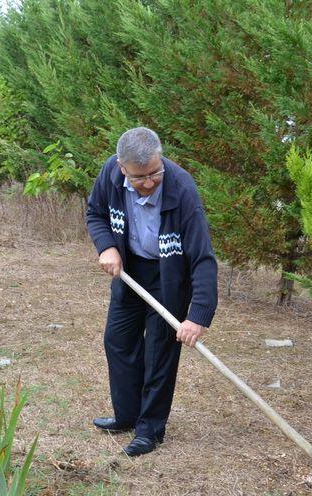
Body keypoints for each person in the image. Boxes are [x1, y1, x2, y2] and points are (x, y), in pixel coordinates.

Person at [86, 127, 218, 457]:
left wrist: (197, 316)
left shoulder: (182, 187)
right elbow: (95, 213)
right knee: (118, 340)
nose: (149, 182)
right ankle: (127, 415)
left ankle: (150, 430)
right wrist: (106, 248)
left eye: (154, 173)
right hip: (130, 271)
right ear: (121, 166)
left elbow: (203, 257)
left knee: (159, 352)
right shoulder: (110, 175)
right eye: (139, 177)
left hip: (168, 277)